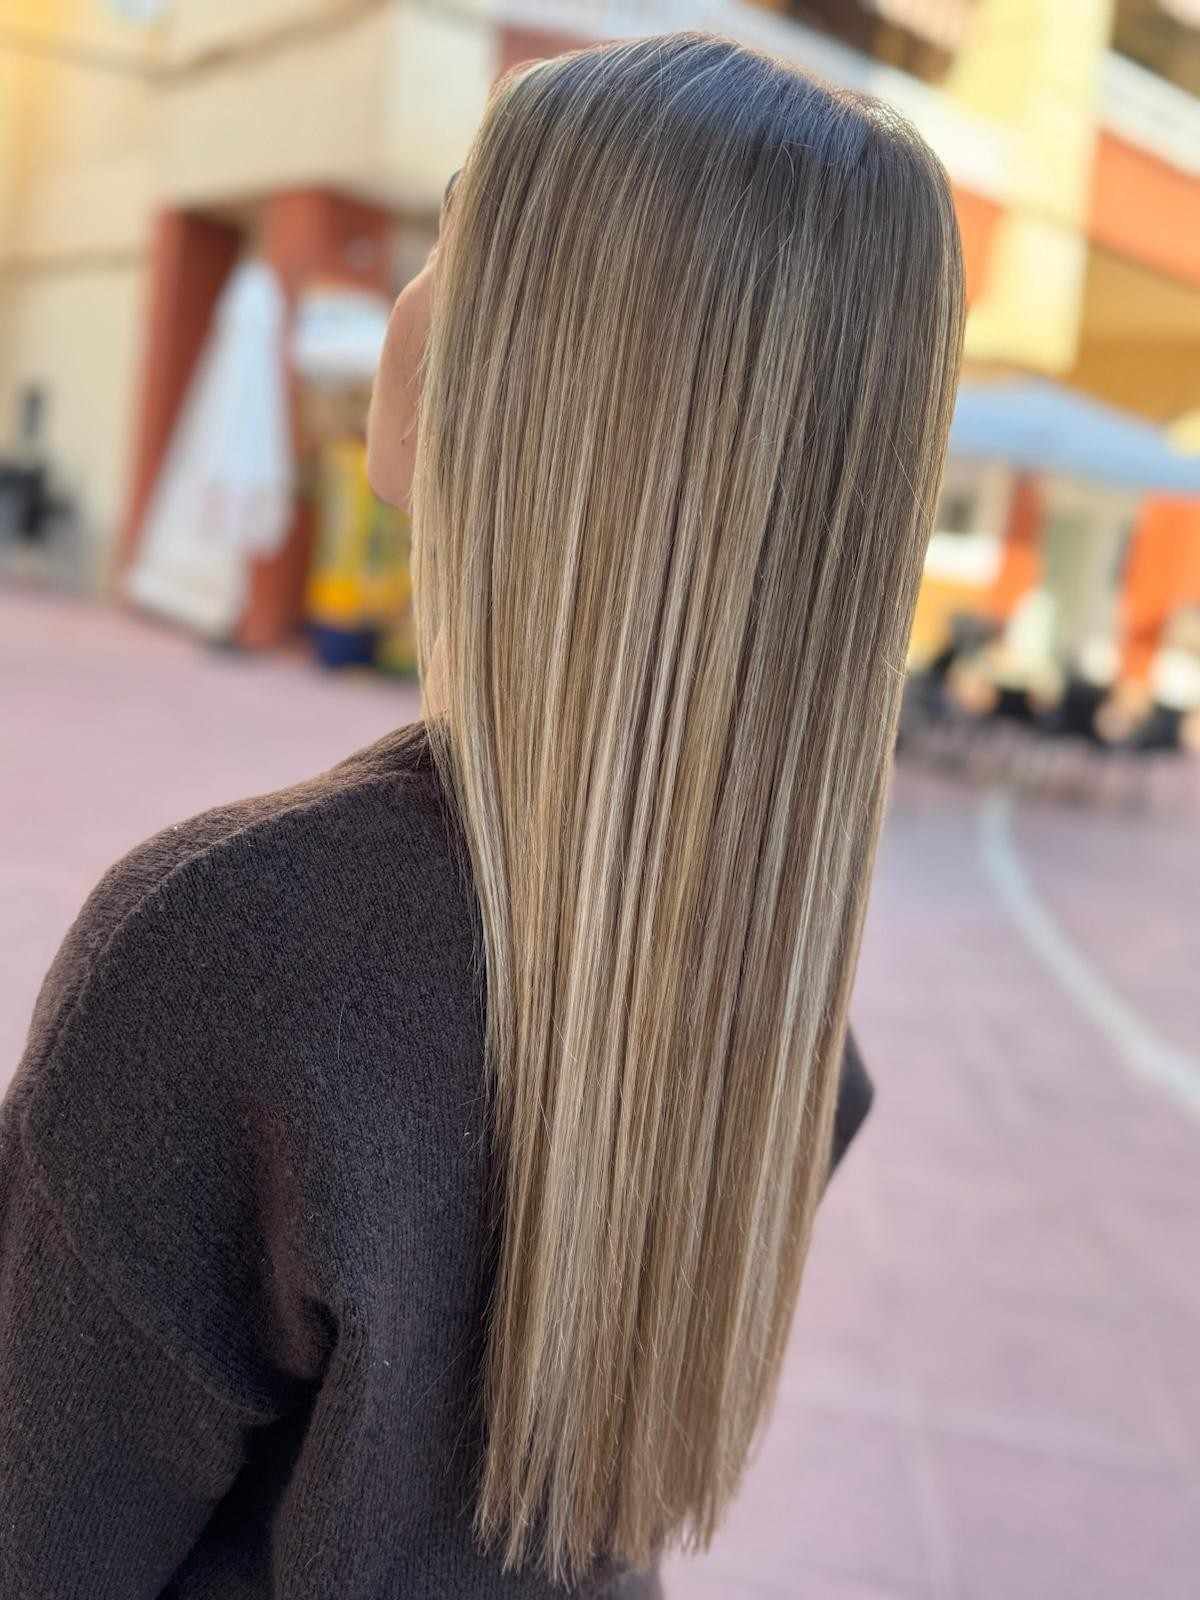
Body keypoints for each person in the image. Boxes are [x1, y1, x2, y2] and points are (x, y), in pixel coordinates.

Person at [0, 32, 962, 1600]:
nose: (411, 295)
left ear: (523, 368)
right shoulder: (781, 999)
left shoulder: (234, 963)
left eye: (458, 225)